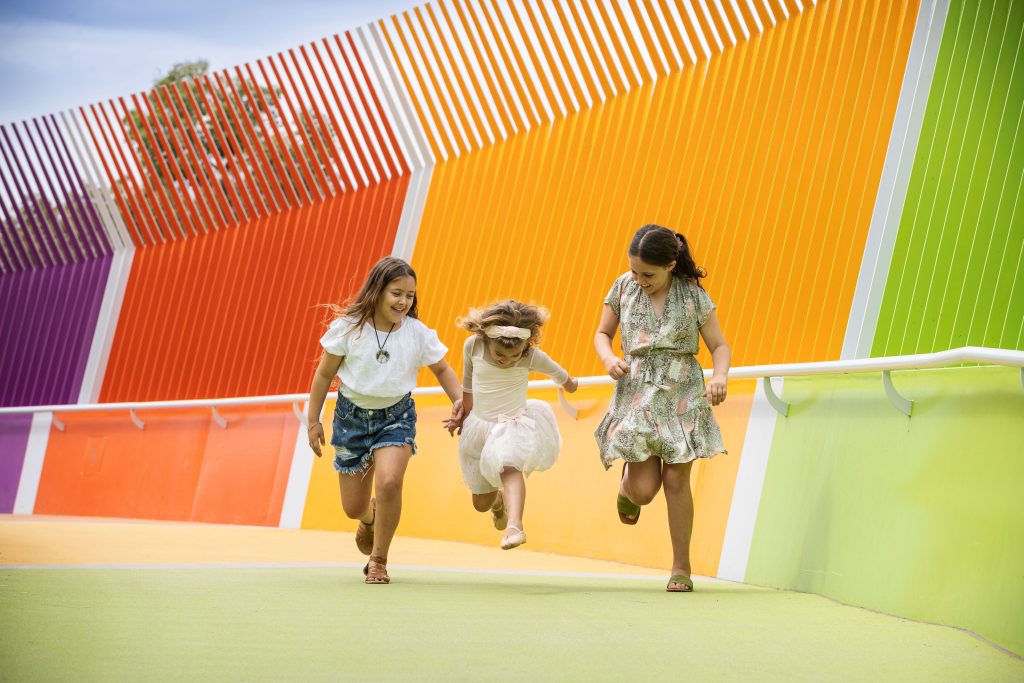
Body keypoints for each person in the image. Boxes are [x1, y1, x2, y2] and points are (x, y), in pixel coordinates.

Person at [308, 257, 463, 584]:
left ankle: (379, 560)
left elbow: (443, 369)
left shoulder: (417, 333)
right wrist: (313, 421)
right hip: (351, 419)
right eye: (396, 293)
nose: (404, 301)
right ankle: (368, 518)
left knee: (390, 481)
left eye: (409, 295)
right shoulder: (350, 328)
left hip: (397, 416)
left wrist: (461, 401)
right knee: (353, 507)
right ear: (377, 291)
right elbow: (324, 374)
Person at [593, 225, 730, 592]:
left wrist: (719, 377)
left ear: (671, 264)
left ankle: (680, 567)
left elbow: (719, 346)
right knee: (643, 492)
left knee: (675, 480)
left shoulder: (692, 295)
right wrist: (607, 359)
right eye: (634, 271)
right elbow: (602, 333)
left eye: (647, 274)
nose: (639, 279)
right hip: (636, 389)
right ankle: (628, 488)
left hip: (682, 390)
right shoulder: (623, 286)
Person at [449, 300, 577, 550]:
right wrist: (462, 416)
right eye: (500, 355)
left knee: (510, 469)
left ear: (526, 347)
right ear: (487, 339)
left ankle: (515, 526)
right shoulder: (473, 346)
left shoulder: (531, 356)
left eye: (513, 356)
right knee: (480, 503)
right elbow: (467, 385)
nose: (506, 360)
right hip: (480, 425)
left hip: (512, 426)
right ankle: (498, 503)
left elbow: (558, 372)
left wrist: (570, 384)